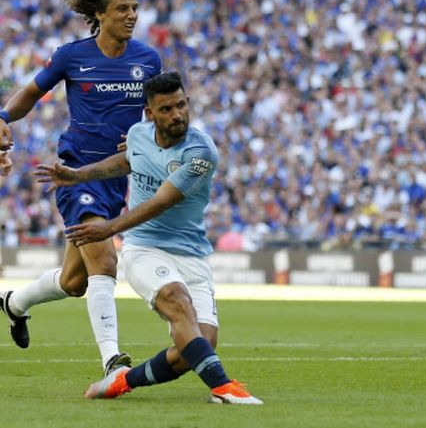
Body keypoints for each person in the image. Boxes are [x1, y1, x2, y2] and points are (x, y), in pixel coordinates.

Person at [35, 71, 262, 404]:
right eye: (167, 109)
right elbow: (128, 161)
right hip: (144, 248)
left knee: (198, 346)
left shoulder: (202, 152)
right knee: (177, 302)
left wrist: (109, 227)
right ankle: (223, 386)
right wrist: (79, 175)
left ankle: (124, 381)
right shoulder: (138, 134)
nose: (177, 115)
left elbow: (163, 201)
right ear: (150, 113)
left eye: (181, 105)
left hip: (192, 254)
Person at [0, 0, 162, 375]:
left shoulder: (148, 59)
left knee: (76, 283)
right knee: (104, 262)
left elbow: (160, 114)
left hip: (118, 177)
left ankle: (14, 302)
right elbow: (32, 94)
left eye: (135, 8)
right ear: (100, 14)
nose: (131, 15)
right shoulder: (73, 55)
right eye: (122, 9)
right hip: (74, 172)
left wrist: (148, 135)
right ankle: (112, 360)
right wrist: (2, 116)